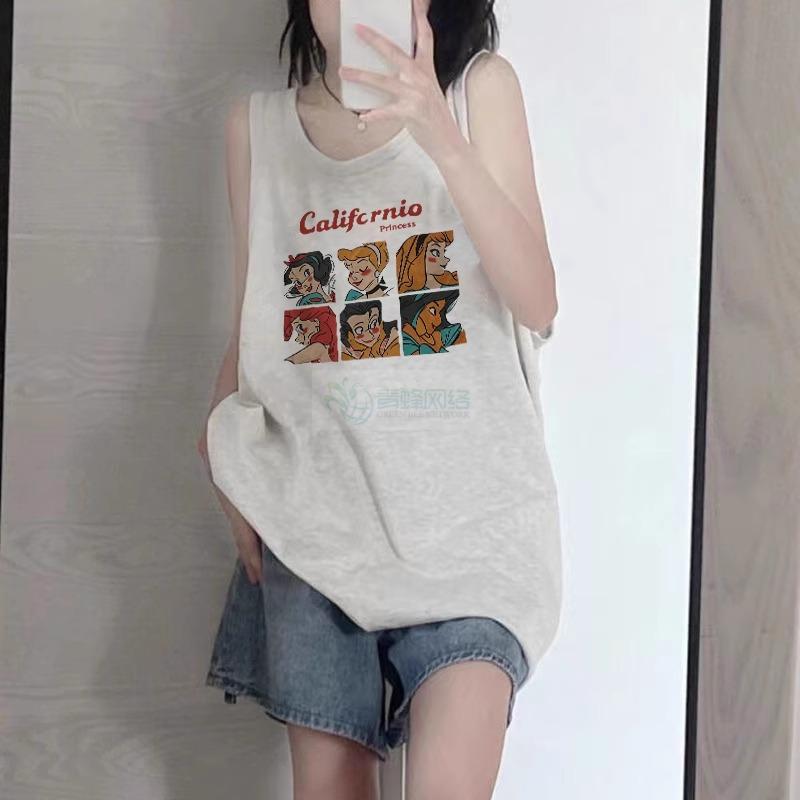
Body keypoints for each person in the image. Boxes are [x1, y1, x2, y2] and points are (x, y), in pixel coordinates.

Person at [198, 0, 562, 797]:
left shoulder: (477, 92)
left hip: (473, 535)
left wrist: (438, 133)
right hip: (316, 530)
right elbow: (255, 329)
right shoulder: (256, 131)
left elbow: (537, 301)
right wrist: (221, 460)